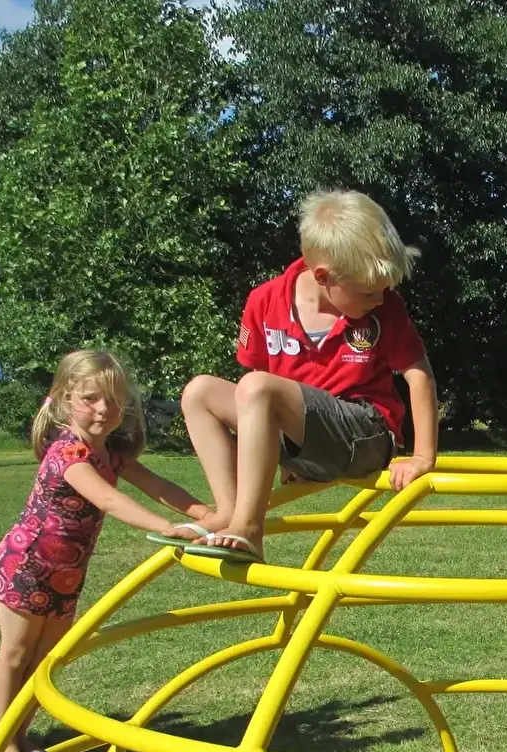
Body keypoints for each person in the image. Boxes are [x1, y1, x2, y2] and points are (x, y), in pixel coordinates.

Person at [0, 350, 213, 752]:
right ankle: (2, 746)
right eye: (91, 398)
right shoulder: (68, 452)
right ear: (64, 398)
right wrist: (168, 528)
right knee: (15, 654)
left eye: (114, 400)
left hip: (65, 575)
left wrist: (209, 514)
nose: (105, 409)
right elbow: (108, 500)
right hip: (28, 566)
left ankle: (21, 736)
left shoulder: (113, 453)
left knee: (42, 660)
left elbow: (160, 487)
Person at [176, 189, 438, 563]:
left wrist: (423, 456)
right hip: (304, 435)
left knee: (257, 386)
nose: (380, 299)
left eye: (386, 290)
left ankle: (249, 528)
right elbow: (258, 389)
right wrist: (284, 455)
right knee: (199, 391)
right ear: (323, 276)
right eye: (369, 292)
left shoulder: (385, 310)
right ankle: (228, 511)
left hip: (364, 431)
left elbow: (418, 373)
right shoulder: (265, 301)